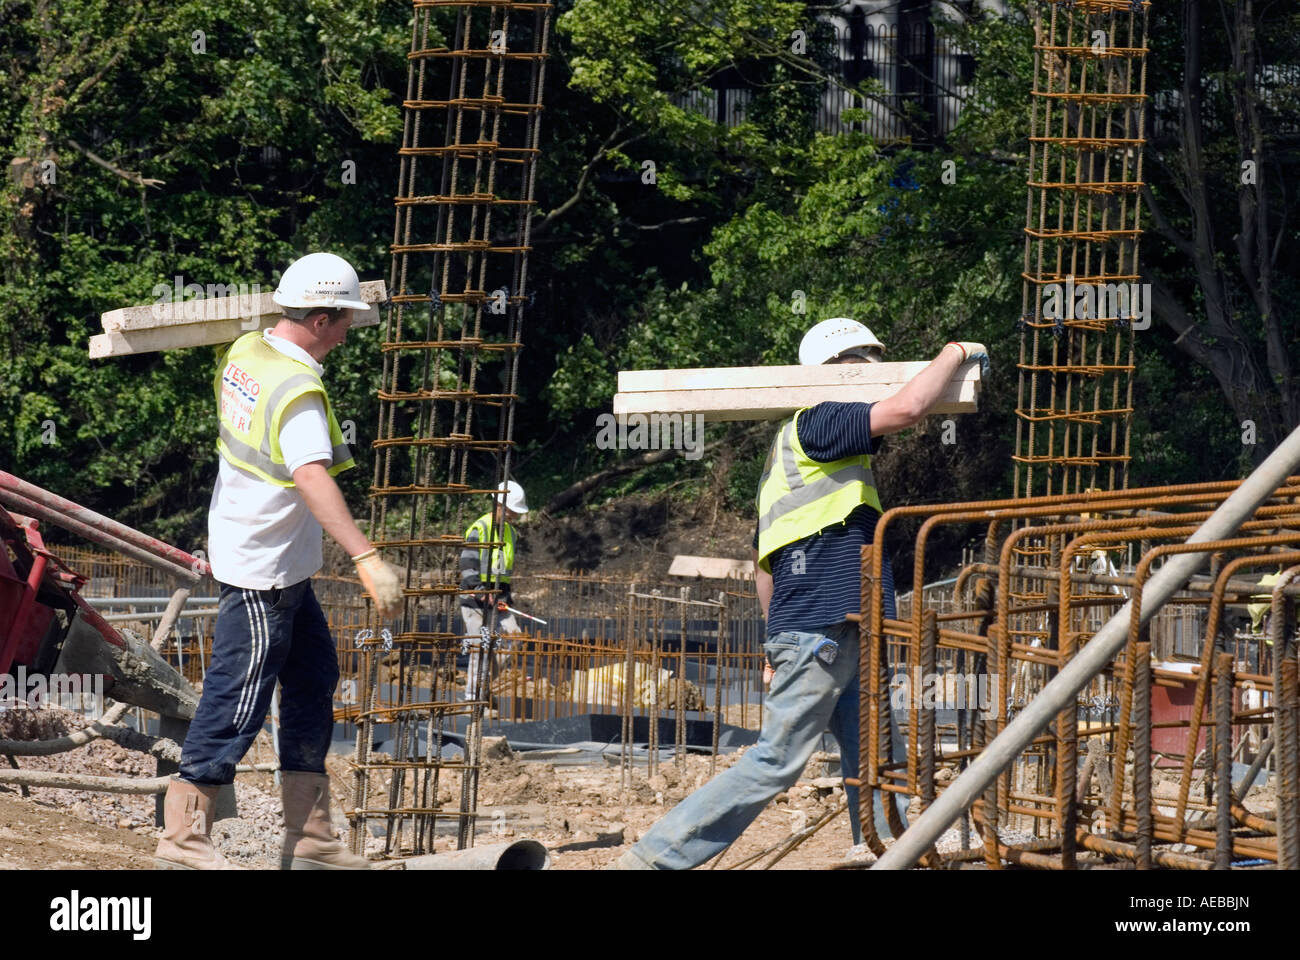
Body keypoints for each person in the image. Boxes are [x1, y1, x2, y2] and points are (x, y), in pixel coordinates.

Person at [617, 318, 988, 869]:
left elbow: (764, 562)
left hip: (840, 627)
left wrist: (775, 639)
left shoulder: (798, 460)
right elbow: (909, 408)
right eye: (868, 361)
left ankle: (892, 849)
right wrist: (956, 351)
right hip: (823, 628)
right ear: (835, 369)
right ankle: (652, 860)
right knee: (777, 760)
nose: (876, 373)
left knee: (876, 754)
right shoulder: (822, 420)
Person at [154, 252, 403, 870]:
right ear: (320, 318)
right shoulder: (300, 393)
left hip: (276, 562)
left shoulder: (246, 352)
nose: (349, 331)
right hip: (263, 569)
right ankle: (181, 839)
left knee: (315, 681)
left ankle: (311, 840)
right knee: (236, 700)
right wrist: (367, 556)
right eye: (344, 319)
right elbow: (311, 476)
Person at [459, 480, 529, 702]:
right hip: (474, 598)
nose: (514, 517)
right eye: (511, 512)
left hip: (498, 597)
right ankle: (473, 698)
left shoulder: (511, 533)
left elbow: (504, 573)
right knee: (479, 645)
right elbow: (467, 565)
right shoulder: (481, 528)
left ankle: (484, 685)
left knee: (513, 638)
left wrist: (504, 598)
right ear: (499, 506)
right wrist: (481, 591)